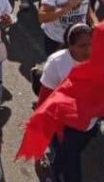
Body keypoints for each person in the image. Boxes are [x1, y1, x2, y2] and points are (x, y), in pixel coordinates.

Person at [39, 24, 95, 182]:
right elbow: (44, 100)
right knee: (72, 169)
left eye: (91, 44)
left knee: (67, 156)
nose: (88, 50)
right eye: (83, 45)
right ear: (70, 46)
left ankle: (54, 171)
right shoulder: (56, 63)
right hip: (65, 127)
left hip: (90, 125)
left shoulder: (98, 59)